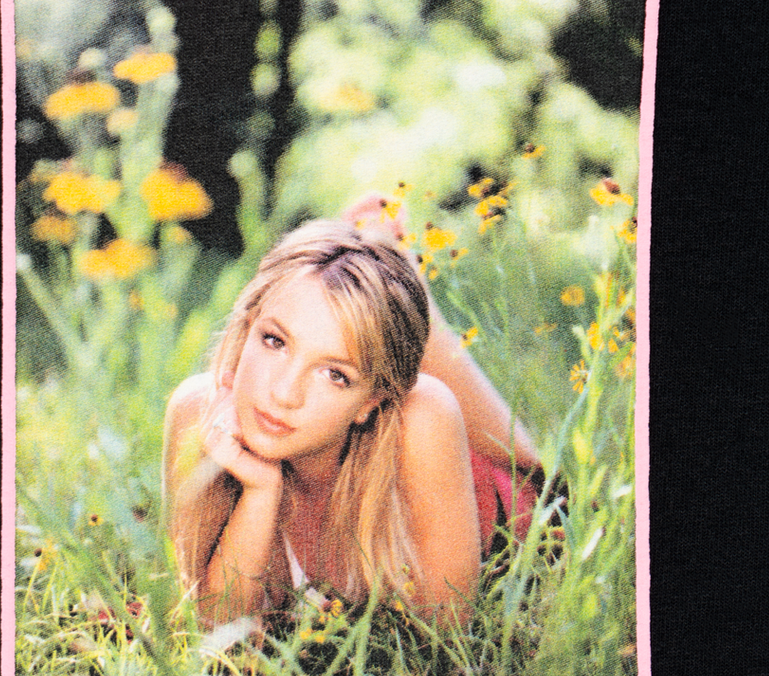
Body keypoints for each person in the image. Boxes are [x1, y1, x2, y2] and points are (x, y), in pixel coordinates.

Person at [162, 194, 544, 630]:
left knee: (518, 459)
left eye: (334, 374)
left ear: (370, 402)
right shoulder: (196, 412)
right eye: (274, 341)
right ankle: (377, 271)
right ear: (247, 326)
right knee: (367, 321)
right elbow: (211, 631)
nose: (284, 394)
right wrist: (260, 490)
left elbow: (445, 639)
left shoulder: (421, 419)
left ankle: (396, 270)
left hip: (498, 498)